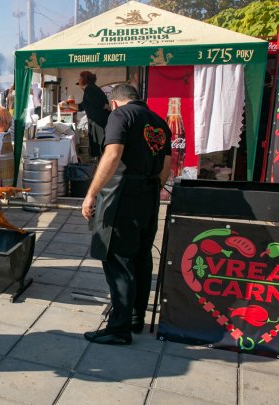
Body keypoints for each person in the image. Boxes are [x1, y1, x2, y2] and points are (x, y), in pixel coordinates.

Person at [81, 84, 171, 345]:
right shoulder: (159, 122)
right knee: (141, 258)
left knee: (118, 259)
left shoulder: (121, 116)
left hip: (121, 195)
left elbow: (112, 154)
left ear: (115, 102)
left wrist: (91, 194)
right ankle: (134, 318)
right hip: (149, 194)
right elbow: (166, 166)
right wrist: (150, 189)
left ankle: (118, 329)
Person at [77, 71, 111, 157]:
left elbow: (100, 104)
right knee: (98, 146)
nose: (79, 82)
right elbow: (82, 107)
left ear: (83, 80)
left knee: (99, 147)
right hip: (98, 122)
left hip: (98, 123)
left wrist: (67, 105)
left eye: (79, 79)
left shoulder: (90, 90)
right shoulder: (92, 89)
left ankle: (100, 165)